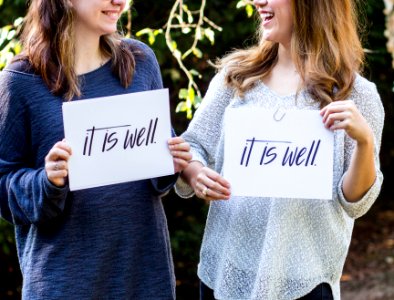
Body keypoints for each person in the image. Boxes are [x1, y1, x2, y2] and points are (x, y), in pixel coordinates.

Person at [176, 0, 385, 299]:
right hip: (225, 273)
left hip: (306, 284)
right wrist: (196, 173)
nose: (257, 1)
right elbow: (192, 145)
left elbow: (354, 202)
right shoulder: (236, 78)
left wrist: (364, 142)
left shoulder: (356, 94)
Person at [0, 0, 192, 299]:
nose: (120, 2)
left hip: (143, 277)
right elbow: (4, 186)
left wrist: (172, 161)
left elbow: (157, 168)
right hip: (63, 283)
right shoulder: (20, 81)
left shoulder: (141, 61)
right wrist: (47, 181)